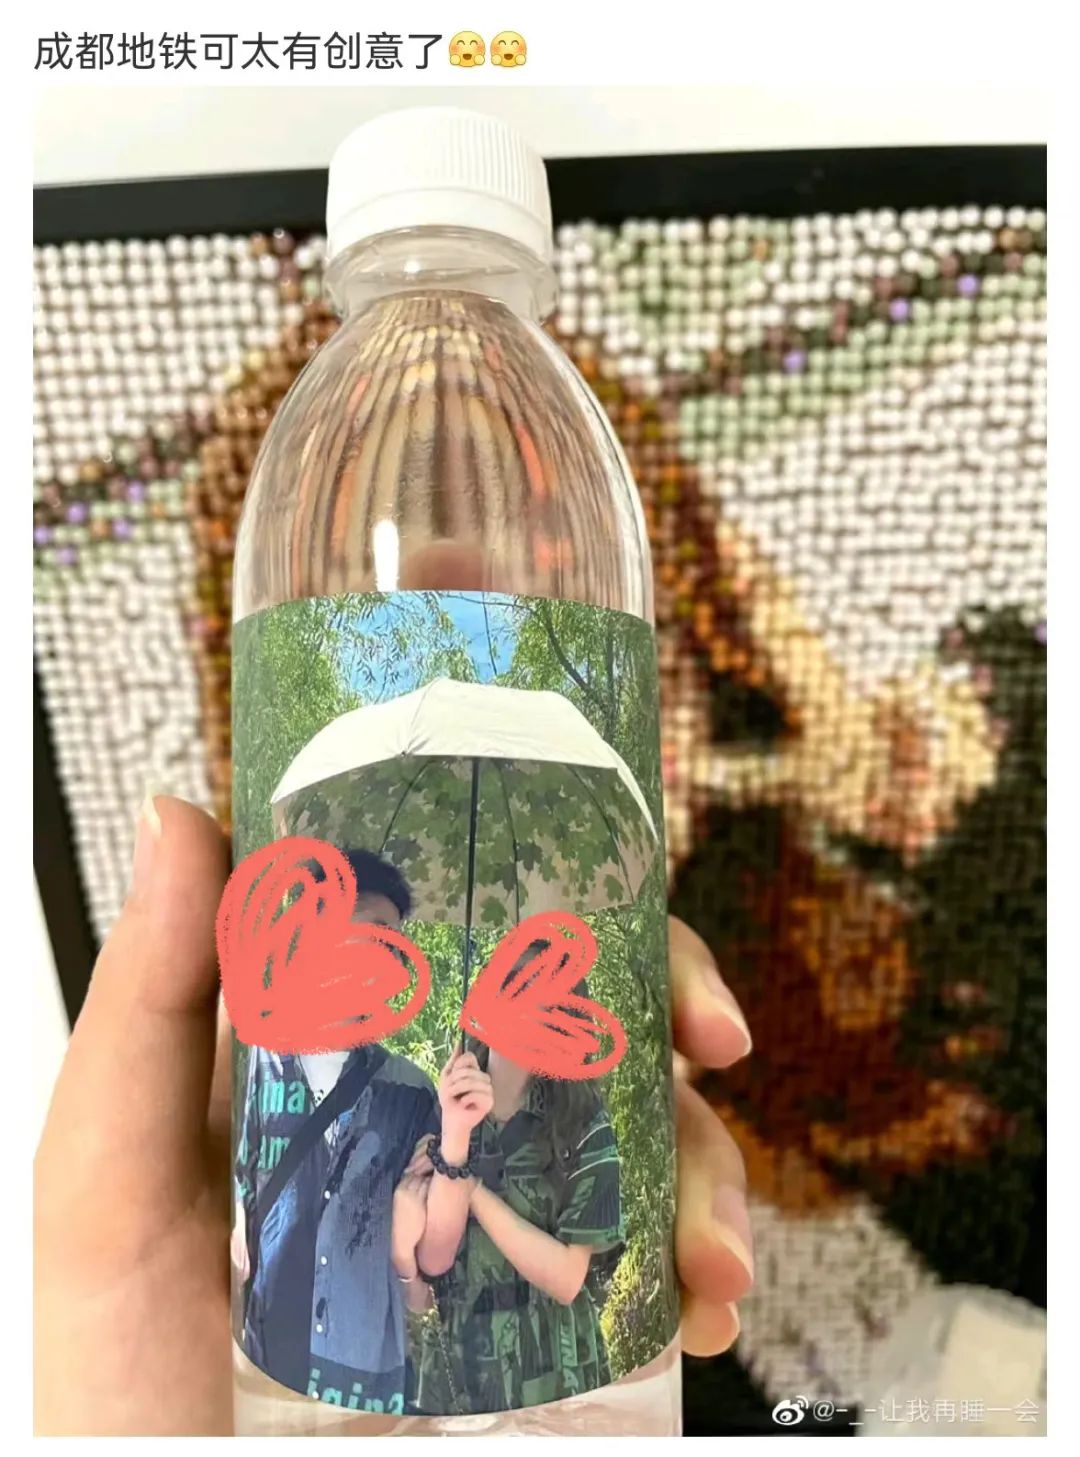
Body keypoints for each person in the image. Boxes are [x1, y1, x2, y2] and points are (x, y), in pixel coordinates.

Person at [34, 796, 756, 1435]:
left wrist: (455, 1159)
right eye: (355, 928)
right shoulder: (257, 1072)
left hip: (434, 1379)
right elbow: (411, 1261)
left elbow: (445, 1251)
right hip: (297, 1380)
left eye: (387, 933)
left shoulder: (420, 1095)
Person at [231, 847, 438, 1411]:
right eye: (374, 934)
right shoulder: (252, 1065)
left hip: (365, 1388)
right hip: (265, 1370)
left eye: (396, 943)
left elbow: (427, 1284)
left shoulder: (413, 1096)